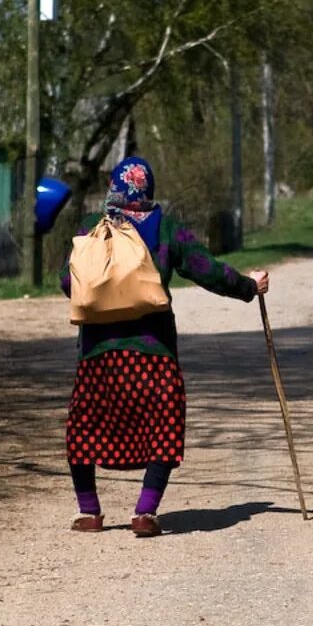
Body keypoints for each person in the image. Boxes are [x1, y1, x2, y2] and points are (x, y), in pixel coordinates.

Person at [59, 156, 270, 538]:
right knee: (163, 427)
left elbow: (67, 282)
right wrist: (248, 286)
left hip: (98, 357)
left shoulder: (91, 230)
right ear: (148, 189)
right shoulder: (167, 229)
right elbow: (206, 269)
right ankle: (145, 512)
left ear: (113, 187)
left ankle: (89, 512)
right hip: (152, 355)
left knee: (85, 430)